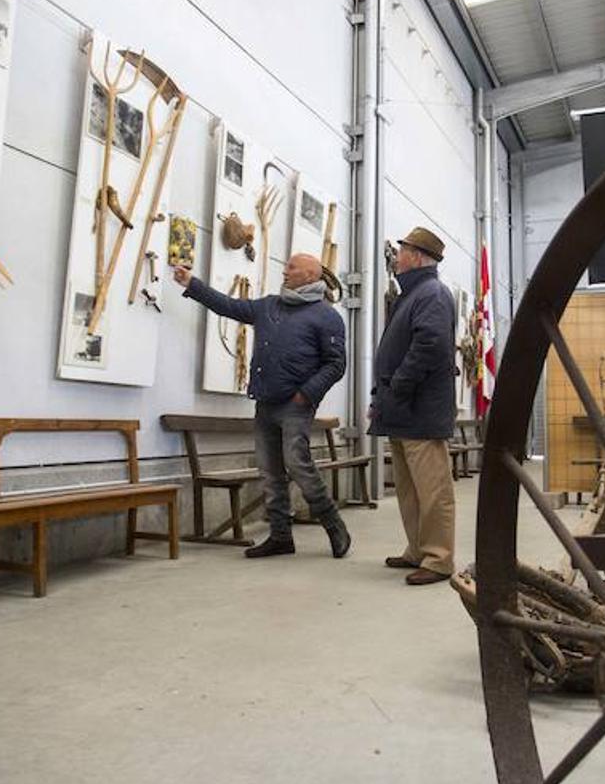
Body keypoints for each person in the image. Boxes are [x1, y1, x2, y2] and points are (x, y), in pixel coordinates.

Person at [173, 253, 351, 559]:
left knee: (298, 465)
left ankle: (334, 524)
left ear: (310, 275)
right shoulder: (269, 305)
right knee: (270, 472)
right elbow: (229, 306)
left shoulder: (326, 316)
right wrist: (192, 284)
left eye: (292, 267)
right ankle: (281, 536)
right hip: (265, 401)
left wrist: (306, 394)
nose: (285, 271)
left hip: (296, 404)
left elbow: (336, 365)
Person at [368, 227, 458, 586]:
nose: (397, 254)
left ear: (417, 256)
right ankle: (418, 549)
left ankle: (438, 559)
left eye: (401, 249)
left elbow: (430, 345)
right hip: (404, 408)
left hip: (420, 408)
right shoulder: (415, 293)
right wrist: (383, 398)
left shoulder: (431, 293)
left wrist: (400, 386)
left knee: (432, 489)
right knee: (409, 487)